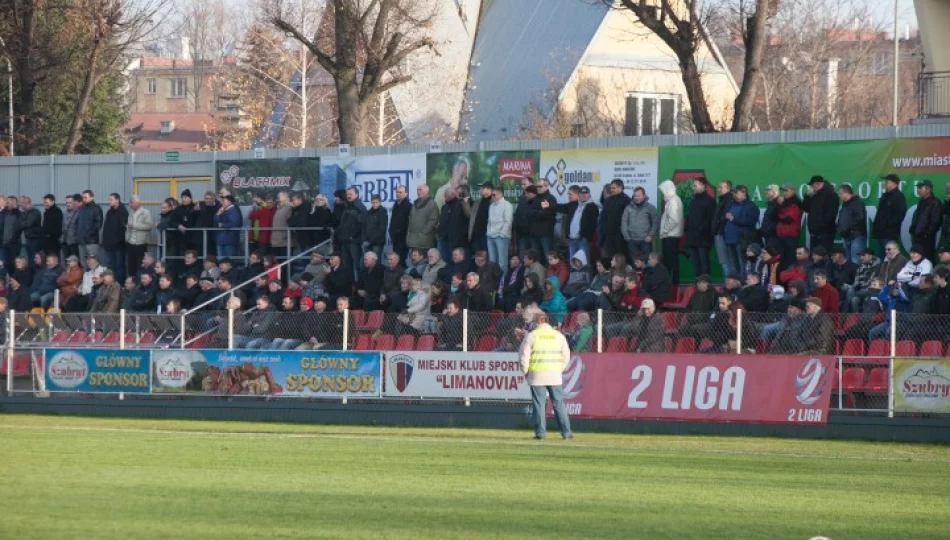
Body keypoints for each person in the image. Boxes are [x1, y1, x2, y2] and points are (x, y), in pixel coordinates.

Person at [519, 312, 573, 441]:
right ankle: (566, 432)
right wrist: (560, 369)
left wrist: (525, 371)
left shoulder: (532, 336)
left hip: (537, 374)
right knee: (559, 403)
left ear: (537, 322)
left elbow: (523, 356)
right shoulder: (558, 336)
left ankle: (540, 433)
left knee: (539, 405)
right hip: (554, 374)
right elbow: (566, 355)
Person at [723, 185, 759, 280]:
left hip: (742, 239)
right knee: (734, 264)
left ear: (744, 192)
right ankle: (736, 282)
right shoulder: (731, 204)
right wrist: (726, 217)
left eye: (736, 192)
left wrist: (734, 219)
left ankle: (744, 281)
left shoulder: (751, 206)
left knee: (743, 263)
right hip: (730, 239)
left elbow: (750, 222)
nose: (734, 195)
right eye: (733, 193)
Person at [559, 185, 598, 266]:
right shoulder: (575, 205)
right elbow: (560, 207)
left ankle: (587, 279)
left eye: (585, 193)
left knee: (584, 263)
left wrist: (586, 237)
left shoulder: (592, 206)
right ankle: (574, 278)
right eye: (581, 193)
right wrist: (549, 205)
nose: (583, 195)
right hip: (572, 239)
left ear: (589, 195)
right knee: (572, 263)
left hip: (583, 240)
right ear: (578, 195)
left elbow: (593, 224)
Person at [685, 178, 716, 278]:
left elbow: (710, 219)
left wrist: (700, 230)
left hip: (704, 239)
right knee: (695, 265)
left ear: (703, 186)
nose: (693, 188)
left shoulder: (710, 201)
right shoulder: (693, 201)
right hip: (692, 239)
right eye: (693, 185)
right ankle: (698, 286)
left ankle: (706, 287)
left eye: (695, 185)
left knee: (704, 265)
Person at [802, 176, 839, 253]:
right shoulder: (816, 195)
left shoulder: (831, 195)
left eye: (812, 185)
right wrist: (807, 196)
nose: (811, 187)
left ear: (817, 184)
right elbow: (806, 208)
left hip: (825, 233)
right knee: (814, 256)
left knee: (824, 255)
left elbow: (831, 214)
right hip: (814, 233)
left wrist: (820, 226)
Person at [873, 174, 907, 257]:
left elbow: (900, 215)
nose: (884, 183)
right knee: (881, 258)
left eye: (887, 181)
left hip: (890, 234)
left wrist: (887, 226)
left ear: (894, 183)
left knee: (889, 258)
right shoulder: (885, 195)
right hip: (881, 234)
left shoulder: (899, 196)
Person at [621, 186, 658, 262]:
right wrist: (627, 238)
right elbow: (624, 223)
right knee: (634, 264)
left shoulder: (650, 208)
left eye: (639, 195)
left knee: (647, 264)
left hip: (645, 241)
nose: (636, 198)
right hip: (632, 241)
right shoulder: (628, 208)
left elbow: (656, 222)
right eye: (635, 196)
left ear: (644, 196)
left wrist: (650, 235)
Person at [657, 180, 684, 285]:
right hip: (671, 234)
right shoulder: (672, 200)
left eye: (663, 190)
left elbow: (673, 219)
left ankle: (673, 283)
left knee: (671, 261)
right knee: (670, 261)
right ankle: (671, 282)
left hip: (670, 235)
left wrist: (664, 230)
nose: (663, 192)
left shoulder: (673, 201)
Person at [911, 179, 942, 264]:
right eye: (918, 188)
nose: (918, 190)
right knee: (918, 259)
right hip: (918, 237)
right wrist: (913, 228)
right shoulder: (921, 201)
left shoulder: (935, 202)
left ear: (928, 189)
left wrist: (926, 234)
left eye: (920, 188)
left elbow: (936, 221)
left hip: (927, 238)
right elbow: (919, 218)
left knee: (928, 259)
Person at [100, 193, 129, 283]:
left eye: (111, 199)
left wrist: (118, 240)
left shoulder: (123, 212)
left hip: (119, 245)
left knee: (119, 266)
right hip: (108, 245)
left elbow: (123, 229)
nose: (109, 201)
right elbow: (106, 228)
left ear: (117, 200)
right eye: (109, 199)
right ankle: (110, 283)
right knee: (110, 265)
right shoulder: (109, 212)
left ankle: (119, 284)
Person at [835, 185, 867, 264]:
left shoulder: (857, 202)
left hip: (856, 236)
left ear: (847, 193)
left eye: (840, 193)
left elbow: (860, 218)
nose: (839, 196)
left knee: (856, 260)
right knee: (848, 261)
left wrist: (849, 228)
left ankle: (857, 276)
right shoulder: (845, 204)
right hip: (847, 236)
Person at [486, 184, 514, 272]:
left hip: (501, 237)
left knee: (502, 262)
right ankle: (493, 283)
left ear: (500, 194)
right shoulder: (491, 206)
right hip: (490, 236)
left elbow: (508, 221)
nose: (492, 197)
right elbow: (490, 221)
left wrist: (502, 234)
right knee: (492, 261)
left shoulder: (507, 205)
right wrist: (488, 232)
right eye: (492, 195)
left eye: (494, 195)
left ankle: (502, 283)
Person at [603, 179, 632, 261]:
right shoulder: (608, 200)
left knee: (621, 256)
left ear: (620, 188)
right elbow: (605, 217)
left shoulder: (627, 200)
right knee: (609, 258)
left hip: (620, 235)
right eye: (611, 188)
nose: (611, 190)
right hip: (609, 235)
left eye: (613, 188)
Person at [776, 183, 803, 272]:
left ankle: (791, 279)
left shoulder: (796, 202)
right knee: (782, 260)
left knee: (790, 260)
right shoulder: (784, 202)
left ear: (793, 191)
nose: (784, 193)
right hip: (782, 234)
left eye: (786, 190)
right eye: (783, 191)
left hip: (791, 235)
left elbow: (789, 218)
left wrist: (779, 215)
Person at [124, 196, 152, 280]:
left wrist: (135, 226)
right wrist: (127, 238)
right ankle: (131, 283)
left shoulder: (145, 212)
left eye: (131, 202)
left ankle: (140, 282)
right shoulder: (131, 212)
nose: (130, 204)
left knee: (140, 265)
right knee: (131, 266)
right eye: (129, 202)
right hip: (130, 243)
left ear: (138, 203)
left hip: (140, 243)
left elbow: (149, 226)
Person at [407, 185, 440, 255]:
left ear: (426, 191)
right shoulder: (414, 204)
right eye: (417, 189)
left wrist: (423, 233)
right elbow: (410, 219)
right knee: (414, 261)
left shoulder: (432, 204)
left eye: (420, 190)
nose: (418, 191)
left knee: (424, 262)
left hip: (425, 241)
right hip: (413, 240)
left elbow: (433, 221)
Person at [713, 181, 735, 278]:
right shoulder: (723, 200)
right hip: (721, 233)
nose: (719, 189)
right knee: (726, 262)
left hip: (723, 233)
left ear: (728, 188)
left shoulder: (729, 200)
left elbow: (724, 216)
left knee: (726, 262)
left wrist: (718, 223)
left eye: (721, 187)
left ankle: (728, 285)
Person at [532, 179, 558, 262]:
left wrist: (538, 213)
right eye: (537, 186)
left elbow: (546, 214)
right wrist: (539, 212)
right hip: (535, 234)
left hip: (546, 234)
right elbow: (530, 213)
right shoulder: (535, 199)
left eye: (540, 186)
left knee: (548, 258)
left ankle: (549, 274)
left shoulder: (551, 198)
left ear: (546, 187)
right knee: (536, 258)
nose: (538, 188)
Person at [466, 182, 494, 255]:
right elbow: (471, 216)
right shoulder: (477, 202)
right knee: (477, 256)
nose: (481, 190)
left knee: (487, 256)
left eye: (483, 188)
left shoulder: (494, 202)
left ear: (489, 190)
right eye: (481, 188)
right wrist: (465, 203)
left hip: (487, 235)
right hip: (476, 235)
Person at [77, 190, 103, 261]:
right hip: (81, 241)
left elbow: (98, 224)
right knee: (84, 263)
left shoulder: (96, 208)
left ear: (92, 198)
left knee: (93, 262)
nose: (84, 199)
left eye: (86, 197)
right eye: (83, 197)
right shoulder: (82, 209)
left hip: (91, 241)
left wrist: (88, 235)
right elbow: (79, 223)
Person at [362, 194, 388, 263]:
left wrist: (370, 241)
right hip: (367, 242)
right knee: (366, 262)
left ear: (380, 202)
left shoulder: (383, 212)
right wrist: (364, 239)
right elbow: (364, 226)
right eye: (373, 202)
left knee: (375, 262)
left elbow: (382, 229)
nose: (374, 204)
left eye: (376, 202)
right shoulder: (368, 213)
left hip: (377, 243)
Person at [389, 185, 412, 261]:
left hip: (403, 239)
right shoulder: (396, 204)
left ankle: (403, 273)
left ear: (406, 193)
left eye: (400, 192)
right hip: (395, 238)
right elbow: (393, 220)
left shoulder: (409, 206)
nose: (398, 194)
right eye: (397, 192)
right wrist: (391, 231)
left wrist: (399, 231)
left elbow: (408, 223)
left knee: (401, 260)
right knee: (396, 260)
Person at [195, 191, 221, 256]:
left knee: (212, 253)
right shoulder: (200, 204)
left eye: (209, 199)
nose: (207, 201)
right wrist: (195, 210)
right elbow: (193, 215)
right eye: (206, 199)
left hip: (213, 234)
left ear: (213, 199)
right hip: (201, 234)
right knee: (201, 253)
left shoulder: (219, 206)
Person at [19, 195, 42, 264]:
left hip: (35, 238)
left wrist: (23, 220)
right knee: (30, 258)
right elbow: (20, 224)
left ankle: (36, 273)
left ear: (26, 203)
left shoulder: (35, 212)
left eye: (21, 203)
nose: (20, 205)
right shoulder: (25, 213)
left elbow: (27, 224)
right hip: (28, 238)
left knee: (34, 259)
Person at [0, 196, 21, 271]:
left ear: (13, 202)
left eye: (8, 202)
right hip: (4, 243)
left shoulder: (18, 214)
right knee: (4, 263)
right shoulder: (5, 213)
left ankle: (13, 280)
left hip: (13, 244)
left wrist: (12, 240)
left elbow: (17, 229)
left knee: (13, 263)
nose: (6, 204)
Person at [271, 191, 293, 260]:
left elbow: (291, 223)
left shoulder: (289, 207)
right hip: (276, 240)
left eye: (278, 197)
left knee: (285, 263)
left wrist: (286, 235)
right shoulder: (279, 208)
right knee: (278, 262)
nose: (277, 199)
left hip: (284, 241)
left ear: (285, 197)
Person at [760, 185, 780, 250]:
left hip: (774, 237)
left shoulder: (779, 204)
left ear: (774, 192)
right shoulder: (771, 204)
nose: (766, 193)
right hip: (768, 236)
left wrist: (769, 230)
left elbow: (780, 220)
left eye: (768, 191)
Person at [61, 195, 80, 261]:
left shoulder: (79, 213)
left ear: (74, 202)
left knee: (75, 262)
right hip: (65, 242)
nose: (68, 204)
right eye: (66, 202)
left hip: (74, 243)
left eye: (70, 202)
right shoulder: (64, 213)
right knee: (67, 262)